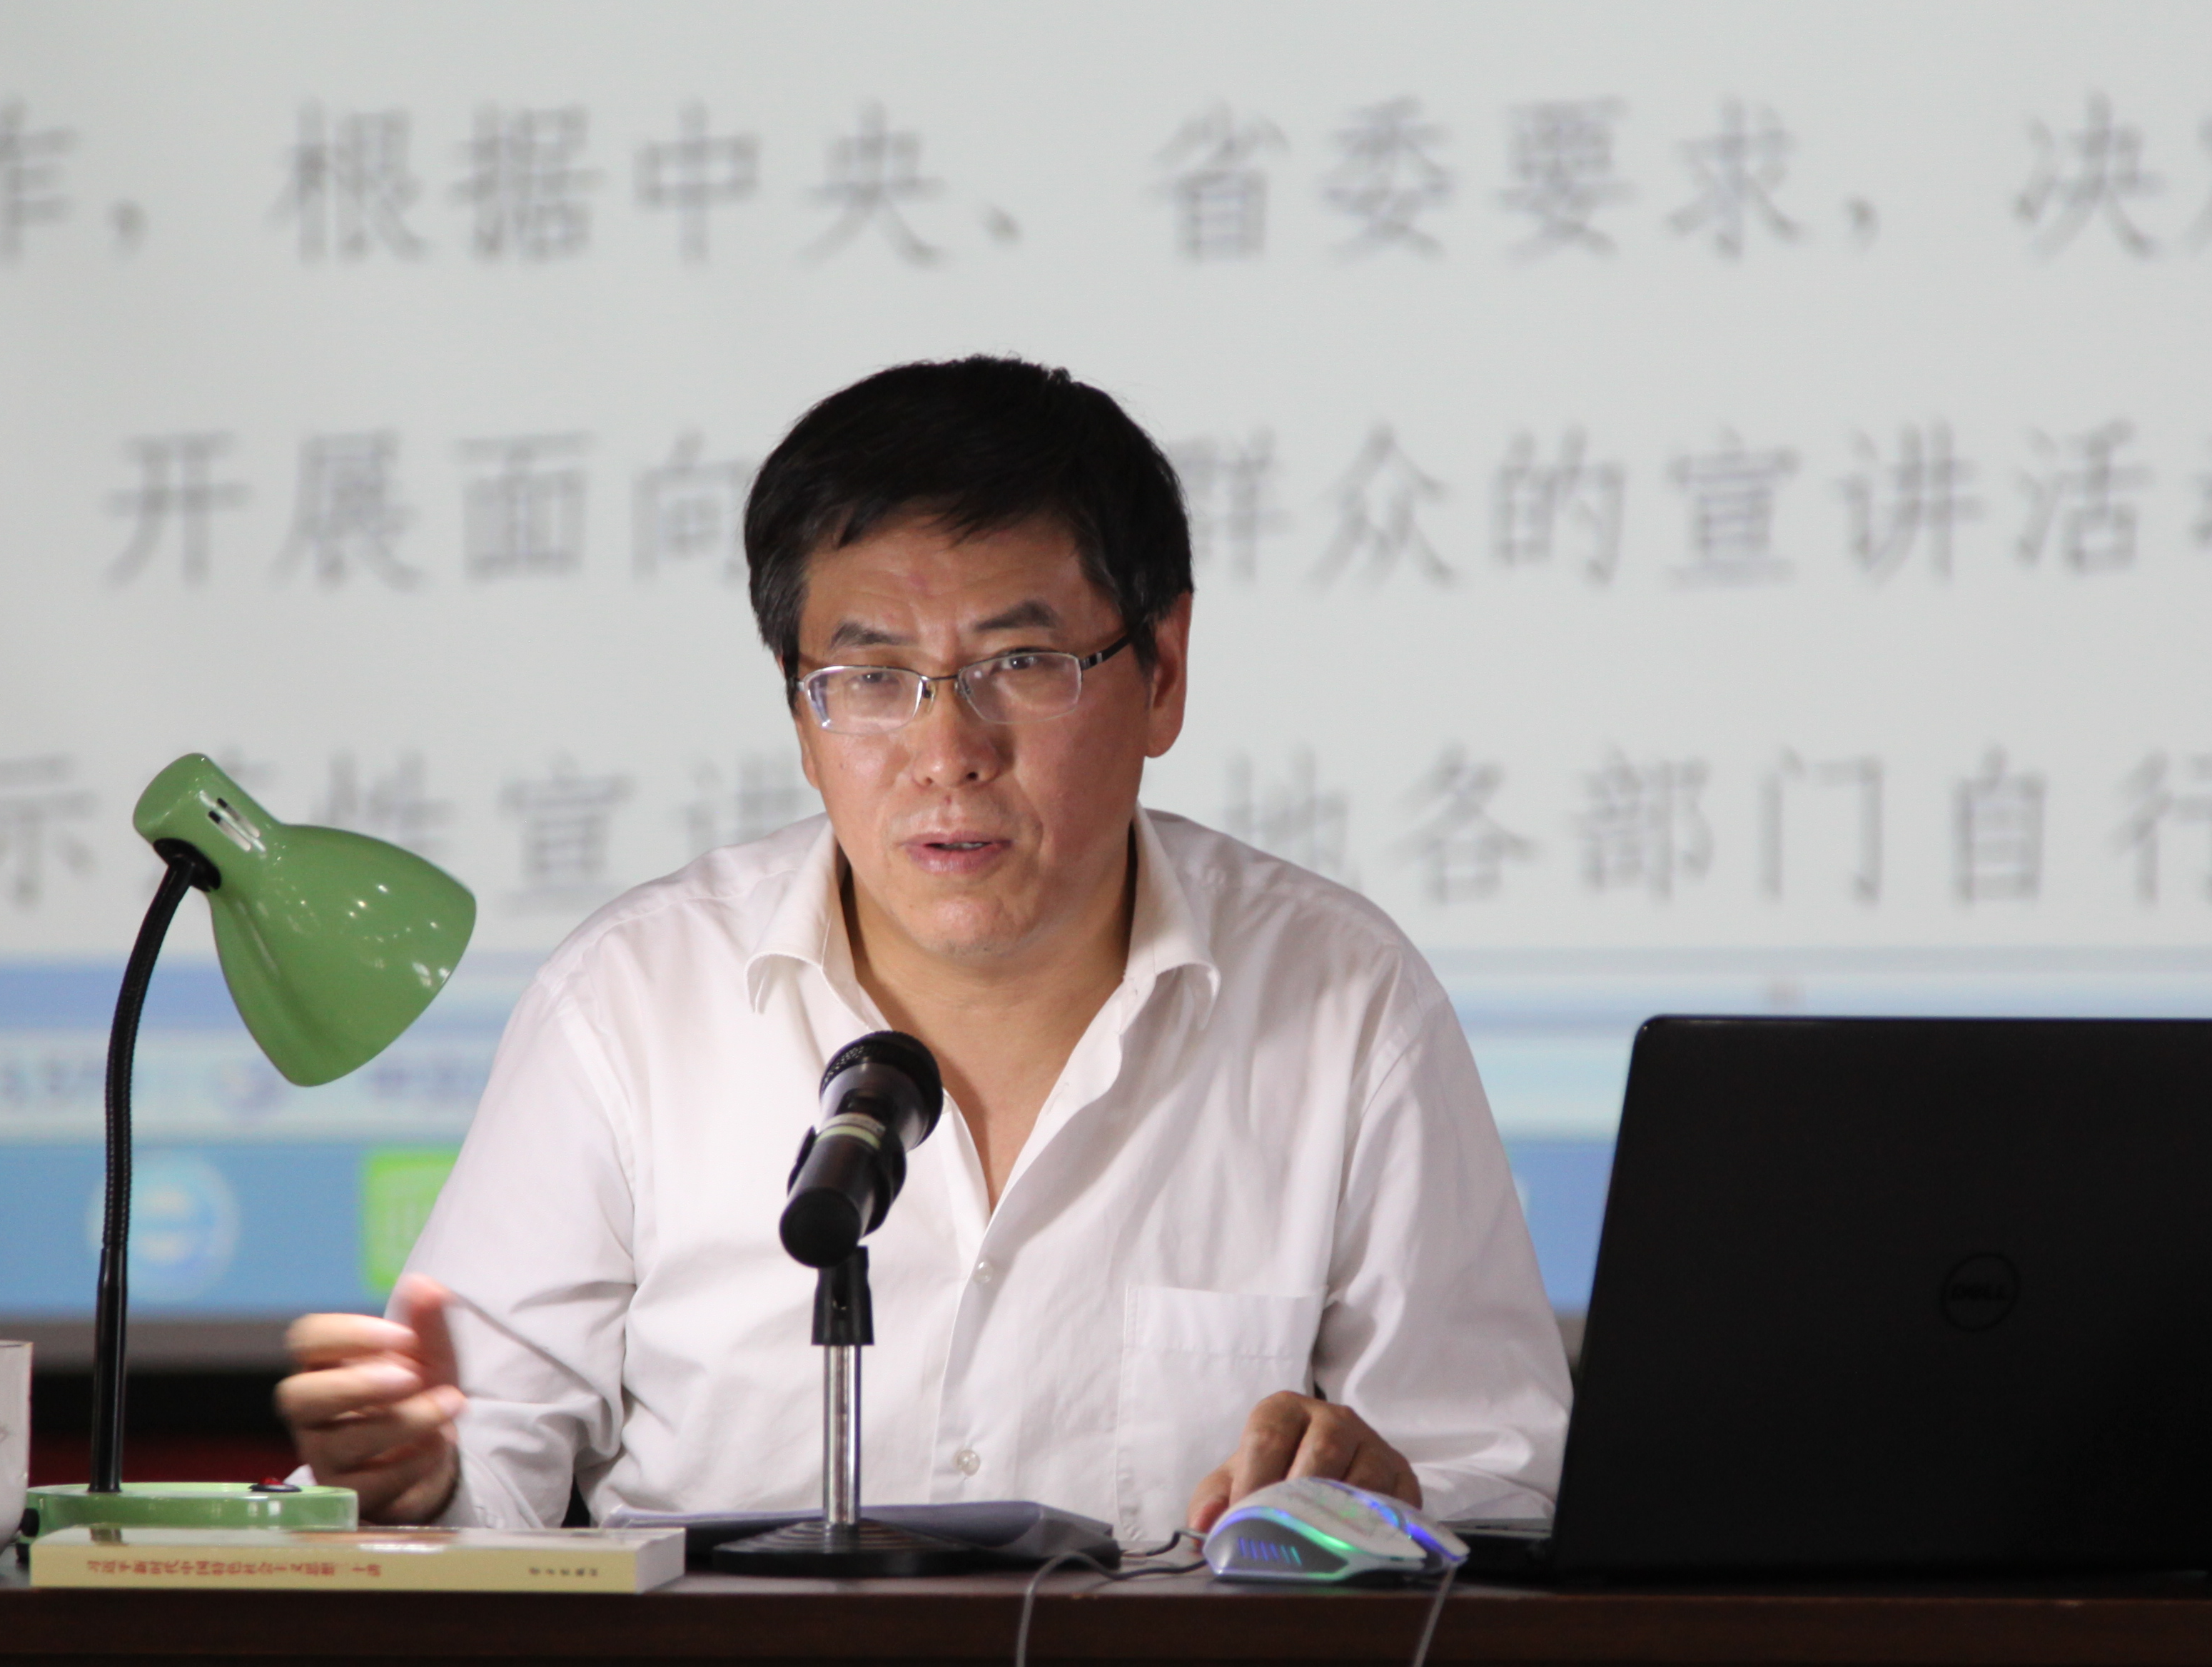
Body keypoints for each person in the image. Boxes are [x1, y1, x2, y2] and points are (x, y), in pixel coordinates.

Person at [274, 357, 1570, 1546]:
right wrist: (412, 1483)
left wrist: (1392, 1501)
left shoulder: (1347, 1003)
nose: (950, 753)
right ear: (800, 714)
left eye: (1023, 662)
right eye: (873, 680)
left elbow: (1495, 1480)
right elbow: (475, 1475)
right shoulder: (631, 1007)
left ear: (1164, 671)